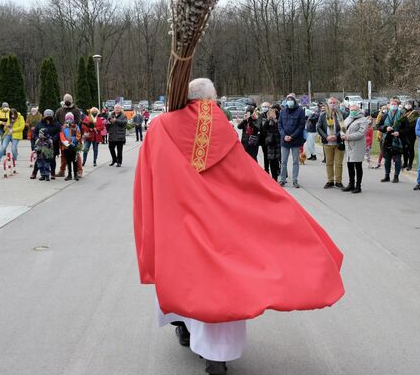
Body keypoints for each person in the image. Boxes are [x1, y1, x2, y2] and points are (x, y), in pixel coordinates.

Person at [133, 78, 344, 375]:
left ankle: (182, 326)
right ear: (211, 101)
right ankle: (216, 357)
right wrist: (275, 207)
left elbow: (148, 177)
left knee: (181, 278)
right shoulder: (222, 129)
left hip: (177, 223)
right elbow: (246, 179)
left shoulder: (159, 127)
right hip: (218, 225)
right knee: (220, 288)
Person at [278, 93, 306, 188]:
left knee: (295, 161)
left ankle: (295, 180)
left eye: (291, 99)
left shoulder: (300, 111)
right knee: (283, 161)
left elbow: (301, 126)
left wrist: (292, 136)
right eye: (288, 99)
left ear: (294, 101)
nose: (289, 101)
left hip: (295, 140)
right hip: (284, 140)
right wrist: (284, 135)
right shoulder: (283, 111)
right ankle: (282, 179)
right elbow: (280, 125)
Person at [317, 97, 346, 189]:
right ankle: (330, 181)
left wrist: (336, 136)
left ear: (337, 104)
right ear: (327, 104)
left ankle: (338, 181)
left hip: (338, 142)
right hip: (327, 142)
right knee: (329, 163)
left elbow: (344, 127)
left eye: (334, 103)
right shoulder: (323, 115)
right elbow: (318, 127)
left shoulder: (341, 114)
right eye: (331, 103)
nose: (333, 104)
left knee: (338, 163)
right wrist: (326, 137)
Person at [341, 103, 368, 193]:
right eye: (351, 110)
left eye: (355, 110)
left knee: (358, 165)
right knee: (350, 165)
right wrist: (342, 135)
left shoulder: (363, 120)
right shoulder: (348, 118)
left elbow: (361, 133)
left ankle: (358, 186)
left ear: (359, 110)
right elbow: (342, 129)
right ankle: (351, 184)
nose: (353, 112)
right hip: (348, 146)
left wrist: (348, 137)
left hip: (357, 146)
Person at [55, 94, 83, 178]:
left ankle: (79, 170)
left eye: (68, 100)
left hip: (74, 136)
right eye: (65, 99)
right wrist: (62, 130)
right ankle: (62, 170)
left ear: (71, 100)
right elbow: (56, 121)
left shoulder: (76, 110)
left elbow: (78, 122)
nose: (67, 101)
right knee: (63, 154)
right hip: (63, 135)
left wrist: (75, 137)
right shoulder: (59, 110)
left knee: (76, 155)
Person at [378, 98, 404, 183]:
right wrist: (385, 128)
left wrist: (399, 132)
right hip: (387, 140)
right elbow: (379, 126)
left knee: (397, 159)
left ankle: (396, 176)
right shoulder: (385, 115)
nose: (393, 106)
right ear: (389, 105)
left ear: (398, 105)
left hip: (397, 140)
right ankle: (387, 176)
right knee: (387, 159)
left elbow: (407, 129)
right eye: (392, 104)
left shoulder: (402, 115)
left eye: (395, 104)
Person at [31, 110, 59, 180]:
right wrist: (37, 138)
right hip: (41, 144)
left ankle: (52, 173)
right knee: (39, 159)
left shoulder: (56, 124)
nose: (48, 118)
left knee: (52, 159)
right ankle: (34, 173)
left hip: (52, 144)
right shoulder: (39, 123)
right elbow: (34, 133)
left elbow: (59, 133)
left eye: (50, 117)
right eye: (47, 116)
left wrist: (53, 139)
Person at [260, 103, 281, 181]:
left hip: (278, 142)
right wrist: (268, 119)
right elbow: (264, 129)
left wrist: (275, 120)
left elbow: (281, 127)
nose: (272, 111)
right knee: (271, 161)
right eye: (271, 110)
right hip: (270, 142)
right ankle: (274, 179)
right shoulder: (267, 117)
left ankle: (279, 176)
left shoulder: (279, 116)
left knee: (277, 161)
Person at [60, 112, 82, 181]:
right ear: (65, 119)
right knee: (68, 161)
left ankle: (75, 174)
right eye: (68, 118)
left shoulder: (76, 126)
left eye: (70, 118)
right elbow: (62, 136)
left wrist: (74, 142)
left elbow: (78, 135)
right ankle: (69, 174)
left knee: (75, 161)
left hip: (74, 146)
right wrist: (67, 143)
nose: (69, 119)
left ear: (73, 119)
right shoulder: (63, 127)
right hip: (66, 147)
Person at [401, 100, 419, 170]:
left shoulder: (415, 113)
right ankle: (405, 163)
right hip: (403, 133)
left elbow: (415, 123)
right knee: (404, 149)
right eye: (406, 104)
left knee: (410, 149)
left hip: (411, 133)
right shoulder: (402, 112)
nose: (408, 105)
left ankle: (410, 164)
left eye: (409, 104)